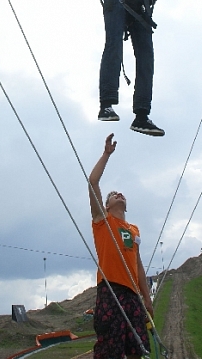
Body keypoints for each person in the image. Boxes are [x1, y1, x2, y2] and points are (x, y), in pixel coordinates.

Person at [71, 0, 167, 137]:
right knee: (114, 46)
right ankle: (106, 104)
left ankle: (141, 116)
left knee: (147, 59)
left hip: (139, 12)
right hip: (117, 4)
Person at [89, 134, 154, 359]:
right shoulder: (102, 221)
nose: (120, 194)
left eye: (121, 194)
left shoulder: (134, 230)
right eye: (114, 195)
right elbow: (93, 182)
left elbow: (138, 265)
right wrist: (106, 154)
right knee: (110, 347)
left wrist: (147, 298)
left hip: (133, 294)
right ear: (106, 206)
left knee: (138, 347)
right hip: (111, 290)